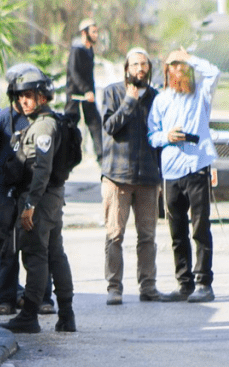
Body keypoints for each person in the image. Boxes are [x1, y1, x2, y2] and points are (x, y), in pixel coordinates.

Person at [0, 68, 75, 334]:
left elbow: (41, 168)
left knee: (35, 254)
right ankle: (66, 314)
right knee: (55, 253)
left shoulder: (43, 126)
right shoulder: (45, 122)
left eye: (29, 96)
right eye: (20, 97)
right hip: (50, 197)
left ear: (43, 96)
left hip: (40, 199)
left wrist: (30, 206)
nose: (24, 102)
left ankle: (30, 314)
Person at [0, 63, 55, 317]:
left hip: (35, 194)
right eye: (21, 94)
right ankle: (6, 299)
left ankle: (43, 298)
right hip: (6, 193)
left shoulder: (45, 121)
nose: (25, 100)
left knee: (37, 247)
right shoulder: (1, 120)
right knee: (7, 246)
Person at [148, 48, 220, 303]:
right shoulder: (161, 100)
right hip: (171, 171)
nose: (179, 71)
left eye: (183, 67)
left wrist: (191, 57)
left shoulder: (201, 94)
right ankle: (184, 284)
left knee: (200, 228)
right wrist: (166, 137)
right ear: (167, 72)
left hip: (196, 166)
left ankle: (204, 283)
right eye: (174, 67)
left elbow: (214, 72)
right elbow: (151, 134)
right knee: (176, 231)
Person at [100, 48, 162, 305]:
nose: (139, 68)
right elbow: (110, 127)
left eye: (144, 64)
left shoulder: (157, 97)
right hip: (118, 177)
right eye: (135, 64)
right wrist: (129, 102)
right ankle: (114, 288)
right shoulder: (113, 92)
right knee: (115, 235)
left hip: (148, 178)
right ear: (126, 68)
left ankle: (148, 287)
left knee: (147, 237)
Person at [66, 19, 103, 163]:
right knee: (70, 125)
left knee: (95, 123)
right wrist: (85, 90)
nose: (96, 35)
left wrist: (90, 91)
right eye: (93, 32)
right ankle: (67, 158)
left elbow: (89, 75)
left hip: (88, 95)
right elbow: (73, 73)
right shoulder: (76, 49)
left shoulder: (89, 50)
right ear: (84, 33)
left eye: (96, 32)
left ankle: (101, 157)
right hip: (75, 94)